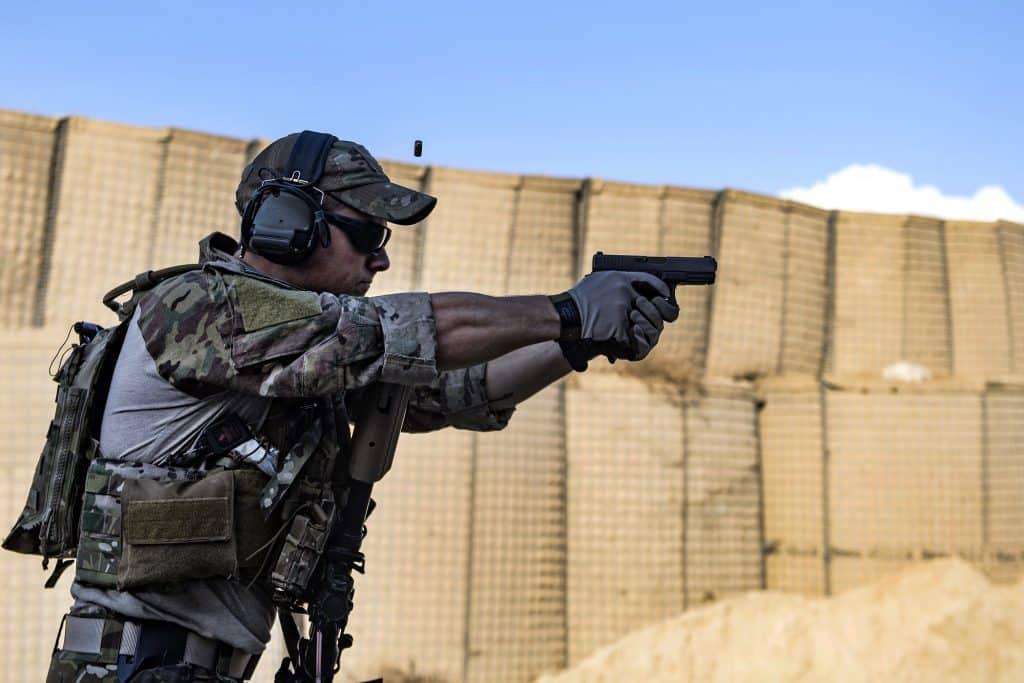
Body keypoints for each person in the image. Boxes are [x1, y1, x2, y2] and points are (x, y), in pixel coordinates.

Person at [45, 132, 679, 682]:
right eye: (368, 233)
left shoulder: (294, 352)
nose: (381, 256)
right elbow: (394, 331)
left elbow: (453, 391)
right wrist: (564, 310)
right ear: (288, 224)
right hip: (129, 668)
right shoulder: (203, 309)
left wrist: (575, 344)